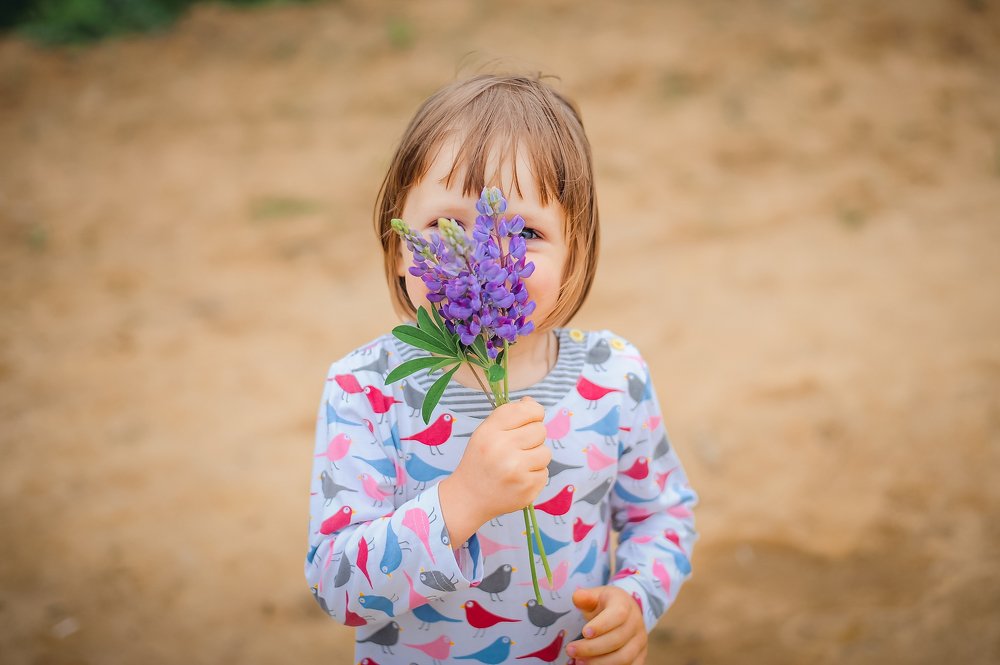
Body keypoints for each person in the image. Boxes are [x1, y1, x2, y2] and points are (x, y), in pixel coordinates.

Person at [305, 73, 698, 665]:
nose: (481, 256)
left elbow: (661, 513)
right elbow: (338, 586)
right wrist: (460, 501)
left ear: (577, 254)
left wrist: (636, 596)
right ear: (399, 246)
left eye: (524, 232)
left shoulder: (614, 375)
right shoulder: (366, 388)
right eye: (444, 228)